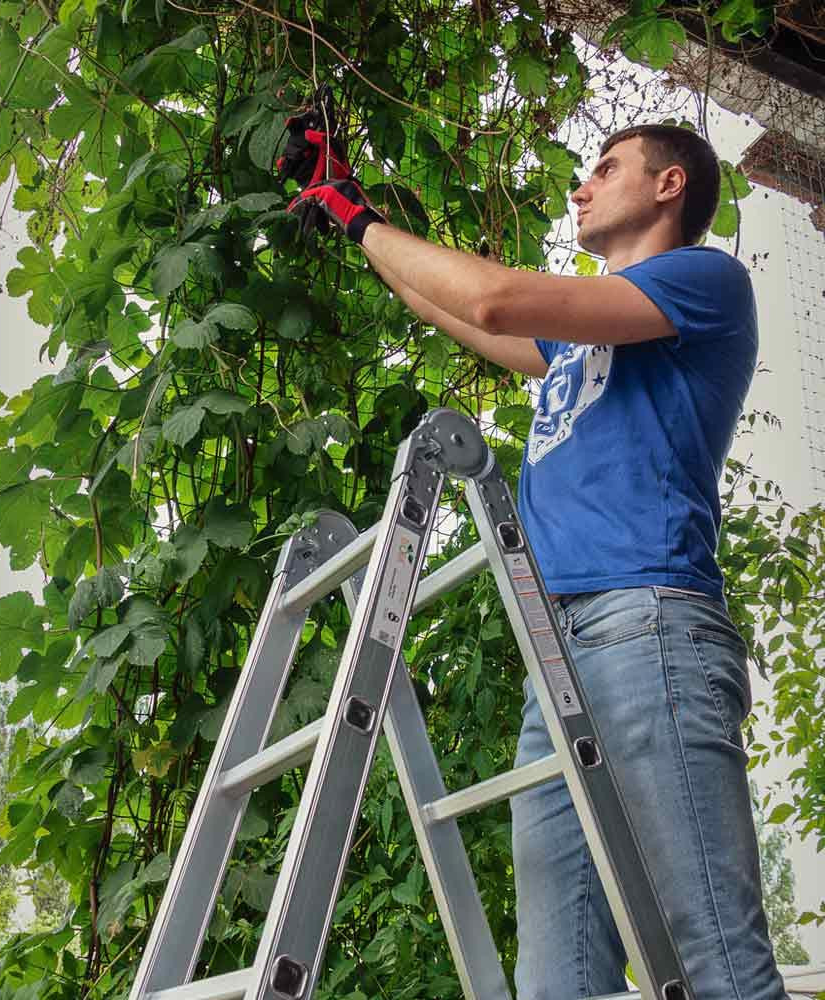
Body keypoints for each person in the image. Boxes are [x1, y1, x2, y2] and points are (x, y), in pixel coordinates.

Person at [287, 124, 787, 998]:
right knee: (558, 980)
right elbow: (449, 311)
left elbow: (493, 300)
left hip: (649, 628)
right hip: (555, 653)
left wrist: (359, 216)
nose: (581, 188)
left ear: (670, 185)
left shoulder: (703, 282)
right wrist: (353, 216)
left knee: (716, 961)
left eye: (605, 169)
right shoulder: (582, 343)